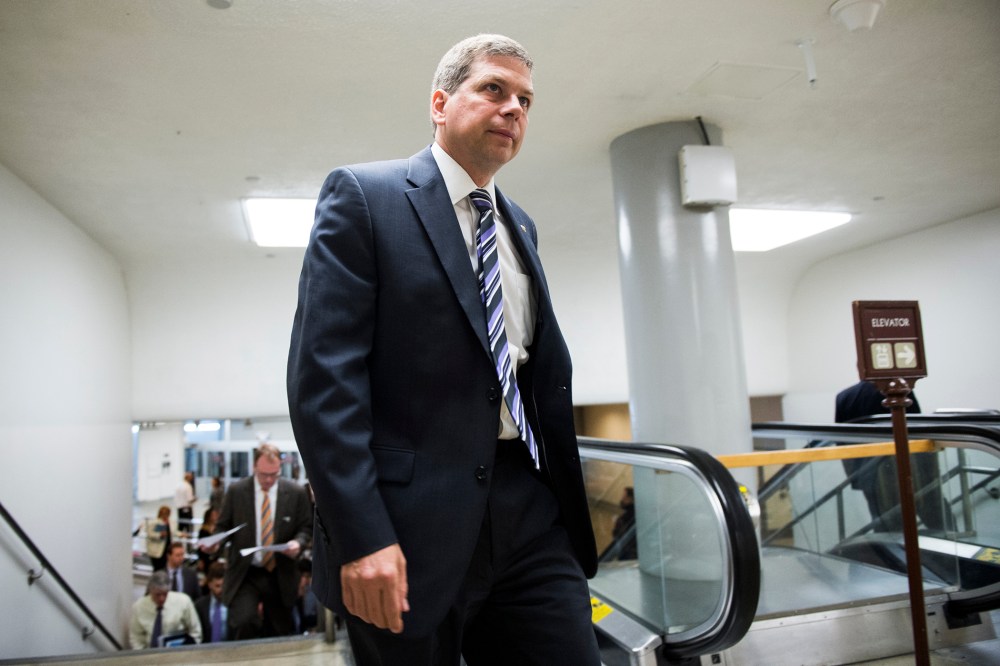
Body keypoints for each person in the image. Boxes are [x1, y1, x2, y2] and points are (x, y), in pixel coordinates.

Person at [287, 34, 600, 665]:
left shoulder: (522, 226)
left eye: (526, 100)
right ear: (440, 103)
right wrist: (361, 536)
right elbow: (325, 383)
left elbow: (525, 369)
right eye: (493, 89)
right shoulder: (365, 197)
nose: (514, 108)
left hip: (530, 512)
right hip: (407, 525)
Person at [207, 443, 311, 639]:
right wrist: (216, 543)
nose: (269, 480)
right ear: (254, 467)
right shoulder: (237, 491)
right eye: (264, 474)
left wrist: (298, 543)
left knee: (280, 631)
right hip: (247, 572)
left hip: (280, 572)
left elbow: (306, 528)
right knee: (244, 622)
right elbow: (223, 527)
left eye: (274, 474)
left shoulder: (295, 493)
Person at [835, 380, 952, 532]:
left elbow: (842, 443)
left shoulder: (845, 397)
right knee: (935, 513)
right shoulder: (899, 390)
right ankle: (954, 547)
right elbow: (916, 428)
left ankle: (895, 554)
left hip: (869, 476)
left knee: (887, 523)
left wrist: (855, 477)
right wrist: (927, 469)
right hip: (911, 470)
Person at [128, 570, 201, 649]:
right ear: (150, 591)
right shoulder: (139, 606)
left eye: (165, 594)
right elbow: (135, 637)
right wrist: (142, 655)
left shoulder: (183, 602)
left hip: (179, 653)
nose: (162, 598)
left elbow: (195, 631)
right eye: (158, 595)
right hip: (149, 655)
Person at [195, 562, 230, 643]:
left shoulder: (235, 604)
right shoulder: (200, 606)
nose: (221, 590)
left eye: (224, 585)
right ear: (210, 584)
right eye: (217, 586)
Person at [146, 505, 172, 571]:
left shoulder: (169, 522)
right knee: (158, 568)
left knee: (165, 568)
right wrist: (160, 534)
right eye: (164, 514)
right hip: (157, 550)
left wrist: (181, 534)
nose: (166, 516)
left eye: (167, 514)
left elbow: (172, 532)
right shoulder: (154, 522)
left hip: (166, 548)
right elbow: (150, 534)